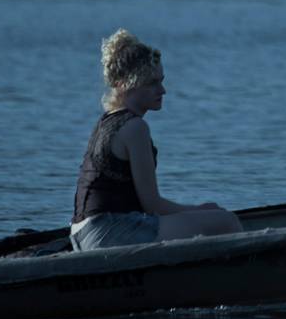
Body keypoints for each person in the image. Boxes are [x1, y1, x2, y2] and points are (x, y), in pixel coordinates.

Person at [71, 29, 244, 251]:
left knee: (209, 218)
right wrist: (200, 209)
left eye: (161, 81)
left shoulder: (107, 120)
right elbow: (152, 205)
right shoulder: (135, 128)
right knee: (225, 222)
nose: (162, 90)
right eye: (152, 83)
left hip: (81, 233)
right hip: (108, 233)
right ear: (128, 84)